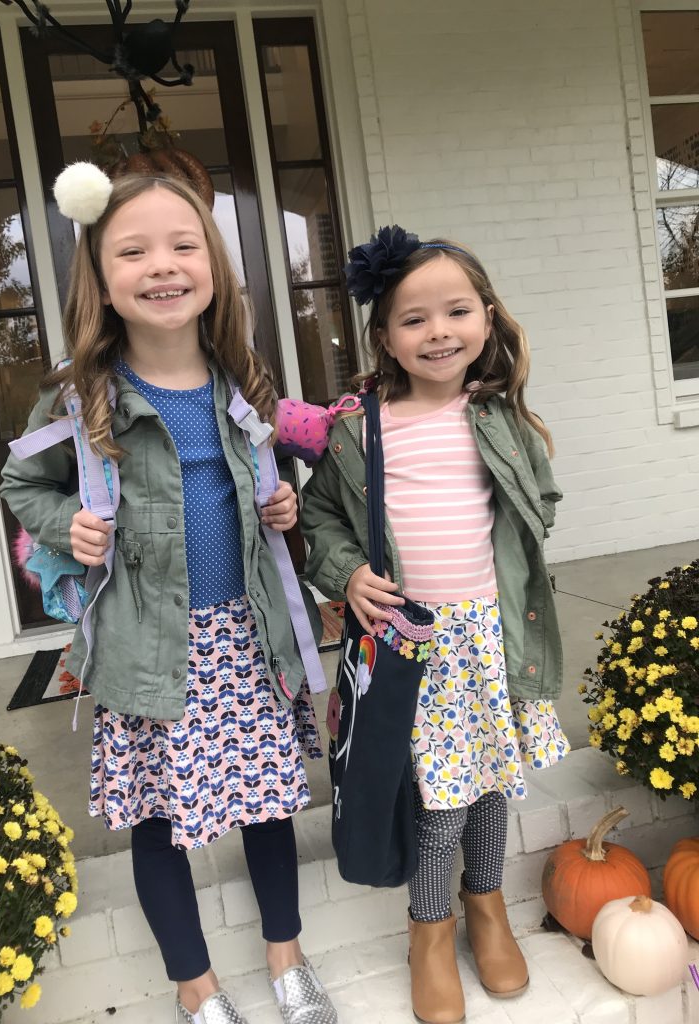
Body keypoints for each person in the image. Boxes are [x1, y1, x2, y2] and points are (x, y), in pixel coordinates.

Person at [0, 166, 338, 1024]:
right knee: (158, 820)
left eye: (184, 245)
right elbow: (22, 481)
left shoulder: (241, 377)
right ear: (100, 275)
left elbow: (264, 476)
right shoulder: (83, 393)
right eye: (133, 251)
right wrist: (69, 522)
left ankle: (287, 957)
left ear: (214, 266)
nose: (162, 265)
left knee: (269, 805)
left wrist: (281, 502)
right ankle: (196, 986)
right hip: (149, 645)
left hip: (246, 635)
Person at [300, 225, 568, 1024]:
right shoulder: (360, 429)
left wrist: (522, 539)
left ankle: (487, 905)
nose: (438, 332)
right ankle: (429, 929)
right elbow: (319, 518)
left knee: (488, 787)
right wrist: (347, 574)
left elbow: (542, 499)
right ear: (384, 337)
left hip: (491, 636)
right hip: (414, 645)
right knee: (440, 802)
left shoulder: (499, 417)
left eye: (456, 311)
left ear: (486, 317)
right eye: (414, 319)